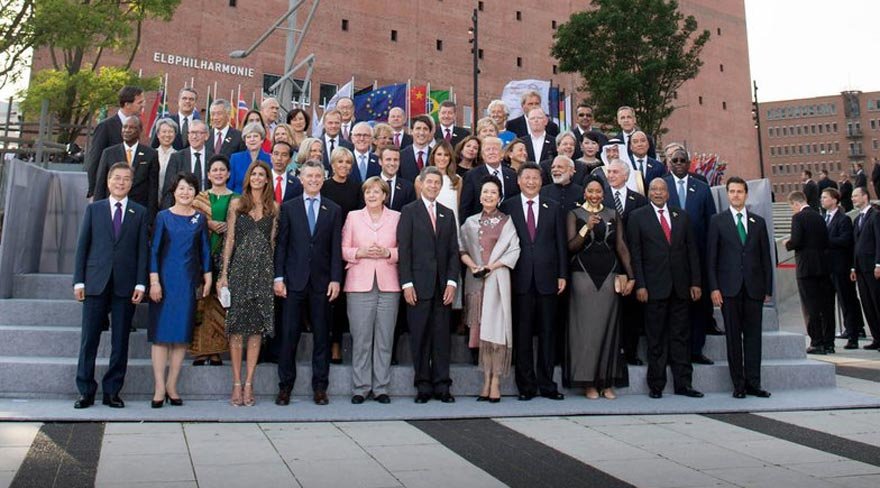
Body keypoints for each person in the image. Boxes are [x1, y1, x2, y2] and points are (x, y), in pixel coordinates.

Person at [73, 163, 149, 409]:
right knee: (89, 339)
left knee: (120, 341)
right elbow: (82, 247)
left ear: (131, 183)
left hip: (125, 285)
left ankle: (112, 391)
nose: (121, 182)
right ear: (108, 181)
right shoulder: (94, 210)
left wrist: (141, 283)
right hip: (95, 283)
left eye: (126, 179)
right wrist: (79, 281)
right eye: (117, 178)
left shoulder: (139, 212)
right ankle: (85, 389)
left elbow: (142, 251)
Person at [274, 160, 343, 406]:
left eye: (317, 176)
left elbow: (336, 247)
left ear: (323, 179)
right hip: (293, 281)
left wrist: (336, 278)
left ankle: (320, 387)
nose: (313, 180)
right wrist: (278, 277)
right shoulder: (289, 208)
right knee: (289, 335)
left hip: (322, 282)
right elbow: (282, 245)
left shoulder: (333, 209)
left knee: (322, 337)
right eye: (309, 176)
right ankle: (285, 387)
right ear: (300, 179)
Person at [627, 178, 703, 399]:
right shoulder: (637, 217)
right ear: (649, 193)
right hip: (653, 288)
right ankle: (656, 385)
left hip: (680, 287)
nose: (658, 193)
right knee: (656, 338)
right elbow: (636, 254)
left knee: (681, 337)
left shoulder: (681, 216)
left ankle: (684, 384)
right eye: (654, 189)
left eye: (662, 189)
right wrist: (640, 284)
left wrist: (695, 282)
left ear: (668, 194)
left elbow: (692, 252)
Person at [498, 162, 567, 401]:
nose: (531, 181)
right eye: (526, 177)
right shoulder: (508, 207)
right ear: (518, 180)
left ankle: (547, 384)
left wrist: (562, 274)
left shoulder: (554, 207)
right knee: (523, 334)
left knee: (548, 334)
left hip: (549, 279)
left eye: (535, 178)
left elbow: (560, 244)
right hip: (520, 279)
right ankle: (526, 386)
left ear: (541, 180)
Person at [216, 162, 278, 407]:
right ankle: (236, 383)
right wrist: (223, 275)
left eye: (262, 174)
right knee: (237, 330)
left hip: (263, 273)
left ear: (267, 180)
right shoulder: (236, 205)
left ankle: (250, 383)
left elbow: (272, 245)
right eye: (254, 173)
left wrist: (273, 277)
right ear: (248, 178)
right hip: (239, 271)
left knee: (255, 331)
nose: (258, 178)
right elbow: (229, 240)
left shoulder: (274, 208)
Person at [566, 178, 634, 399]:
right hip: (582, 275)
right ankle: (588, 382)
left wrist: (631, 276)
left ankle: (606, 381)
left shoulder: (613, 214)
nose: (594, 195)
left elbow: (621, 246)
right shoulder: (574, 214)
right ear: (584, 192)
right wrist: (587, 227)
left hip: (609, 274)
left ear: (603, 194)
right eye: (590, 191)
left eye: (598, 191)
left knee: (608, 329)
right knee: (586, 331)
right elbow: (571, 246)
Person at [148, 172, 212, 408]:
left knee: (181, 338)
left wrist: (208, 277)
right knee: (161, 337)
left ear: (196, 193)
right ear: (174, 191)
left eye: (190, 189)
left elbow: (204, 249)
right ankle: (158, 387)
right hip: (164, 283)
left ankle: (172, 385)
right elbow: (154, 251)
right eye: (182, 188)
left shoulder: (200, 219)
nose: (186, 193)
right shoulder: (163, 217)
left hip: (187, 283)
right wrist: (154, 281)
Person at [397, 166, 461, 403]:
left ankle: (442, 385)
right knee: (420, 336)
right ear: (421, 184)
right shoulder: (409, 211)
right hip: (418, 286)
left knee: (442, 337)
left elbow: (453, 251)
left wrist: (452, 282)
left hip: (442, 287)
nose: (433, 186)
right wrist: (407, 283)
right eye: (430, 182)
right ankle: (423, 385)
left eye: (437, 183)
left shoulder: (447, 213)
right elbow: (405, 251)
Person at [707, 177, 773, 398]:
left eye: (740, 191)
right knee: (734, 339)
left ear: (746, 194)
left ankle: (754, 382)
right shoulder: (718, 221)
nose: (736, 195)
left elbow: (766, 258)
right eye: (732, 192)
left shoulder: (758, 222)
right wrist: (714, 288)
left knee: (754, 338)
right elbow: (711, 258)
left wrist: (768, 288)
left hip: (754, 288)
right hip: (729, 290)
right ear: (727, 195)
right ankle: (739, 385)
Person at [460, 176, 520, 402]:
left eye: (493, 192)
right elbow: (461, 248)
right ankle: (485, 380)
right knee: (481, 334)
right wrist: (474, 266)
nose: (488, 196)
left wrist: (490, 266)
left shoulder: (507, 222)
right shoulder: (470, 222)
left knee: (496, 334)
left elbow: (513, 250)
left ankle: (496, 381)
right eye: (485, 192)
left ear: (499, 197)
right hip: (476, 280)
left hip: (497, 279)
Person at [341, 177, 401, 404]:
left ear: (385, 195)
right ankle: (361, 387)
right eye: (368, 192)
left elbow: (404, 248)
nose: (372, 196)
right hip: (359, 284)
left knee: (385, 338)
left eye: (377, 192)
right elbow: (343, 249)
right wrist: (360, 252)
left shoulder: (397, 218)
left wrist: (388, 253)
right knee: (361, 338)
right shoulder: (353, 217)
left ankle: (381, 387)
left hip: (389, 284)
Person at [664, 148, 717, 365]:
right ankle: (672, 350)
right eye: (674, 160)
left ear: (688, 163)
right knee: (672, 305)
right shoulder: (661, 186)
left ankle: (696, 348)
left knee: (698, 304)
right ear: (669, 163)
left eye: (682, 160)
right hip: (670, 255)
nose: (678, 163)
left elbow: (711, 222)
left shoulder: (703, 189)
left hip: (698, 254)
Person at [189, 155, 236, 367]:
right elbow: (191, 220)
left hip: (226, 256)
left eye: (222, 170)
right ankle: (200, 351)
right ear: (208, 175)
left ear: (228, 174)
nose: (218, 173)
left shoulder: (237, 199)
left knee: (219, 303)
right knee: (201, 302)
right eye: (214, 170)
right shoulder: (198, 198)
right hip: (202, 255)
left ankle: (216, 351)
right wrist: (208, 223)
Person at [601, 159, 649, 365]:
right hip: (607, 262)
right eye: (609, 172)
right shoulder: (600, 200)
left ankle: (630, 351)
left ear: (626, 176)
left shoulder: (639, 200)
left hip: (632, 262)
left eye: (615, 172)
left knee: (631, 310)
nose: (610, 175)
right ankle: (611, 351)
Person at [322, 147, 364, 364]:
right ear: (332, 164)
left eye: (348, 163)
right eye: (340, 162)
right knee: (328, 297)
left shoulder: (357, 188)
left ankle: (337, 343)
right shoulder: (324, 187)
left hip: (348, 248)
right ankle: (326, 342)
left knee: (341, 300)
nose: (344, 166)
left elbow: (359, 218)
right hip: (326, 247)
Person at [784, 191, 834, 354]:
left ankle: (816, 342)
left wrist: (787, 243)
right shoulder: (820, 217)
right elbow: (826, 241)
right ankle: (828, 342)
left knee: (810, 306)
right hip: (823, 266)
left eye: (791, 207)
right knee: (825, 306)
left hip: (806, 268)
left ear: (795, 204)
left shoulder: (798, 218)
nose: (792, 210)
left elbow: (797, 241)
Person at [823, 188, 864, 350]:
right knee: (830, 303)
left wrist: (826, 240)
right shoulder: (824, 219)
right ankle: (836, 336)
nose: (822, 200)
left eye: (825, 197)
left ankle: (853, 334)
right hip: (828, 268)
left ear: (834, 200)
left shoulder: (843, 219)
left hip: (841, 267)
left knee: (847, 301)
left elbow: (846, 240)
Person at [94, 116, 159, 217]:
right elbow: (100, 184)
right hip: (112, 209)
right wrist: (97, 211)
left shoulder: (151, 154)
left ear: (139, 131)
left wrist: (150, 217)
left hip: (138, 210)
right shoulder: (109, 153)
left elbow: (153, 189)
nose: (127, 130)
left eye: (131, 128)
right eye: (125, 127)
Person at [86, 85, 144, 198]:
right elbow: (95, 160)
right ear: (127, 104)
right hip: (108, 194)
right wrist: (93, 191)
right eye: (139, 102)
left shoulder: (138, 125)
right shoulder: (105, 126)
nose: (143, 105)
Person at [460, 136, 518, 224]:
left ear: (502, 153)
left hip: (508, 226)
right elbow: (465, 207)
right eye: (488, 150)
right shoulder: (471, 176)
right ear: (483, 155)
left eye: (495, 149)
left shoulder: (512, 175)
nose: (491, 152)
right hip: (479, 227)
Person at [851, 186, 880, 351]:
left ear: (865, 197)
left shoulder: (875, 216)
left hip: (872, 268)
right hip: (861, 269)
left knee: (877, 302)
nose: (853, 199)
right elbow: (856, 245)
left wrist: (878, 264)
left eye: (856, 196)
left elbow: (878, 241)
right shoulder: (857, 219)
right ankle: (877, 338)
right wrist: (853, 267)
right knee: (867, 304)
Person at [161, 120, 212, 208]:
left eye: (198, 133)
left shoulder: (213, 158)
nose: (194, 136)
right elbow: (168, 190)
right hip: (181, 208)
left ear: (206, 136)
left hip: (207, 207)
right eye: (191, 133)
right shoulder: (176, 158)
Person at [228, 122, 271, 194]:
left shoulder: (270, 159)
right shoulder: (235, 158)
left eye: (255, 136)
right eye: (248, 137)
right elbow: (230, 185)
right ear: (245, 141)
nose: (252, 139)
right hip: (238, 201)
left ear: (262, 140)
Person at [379, 145, 416, 212]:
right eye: (388, 159)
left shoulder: (408, 187)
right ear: (380, 161)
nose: (392, 163)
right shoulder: (370, 185)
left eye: (396, 160)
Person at [399, 115, 435, 181]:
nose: (421, 133)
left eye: (425, 129)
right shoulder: (401, 155)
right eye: (418, 128)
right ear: (411, 131)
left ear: (430, 133)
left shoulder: (435, 155)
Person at [321, 109, 354, 173]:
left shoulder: (349, 146)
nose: (333, 126)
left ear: (341, 124)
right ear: (324, 124)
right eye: (330, 123)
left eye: (337, 123)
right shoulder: (317, 144)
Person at [154, 118, 179, 201]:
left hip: (172, 201)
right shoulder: (151, 154)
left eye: (171, 132)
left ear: (175, 134)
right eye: (164, 132)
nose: (167, 135)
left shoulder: (179, 156)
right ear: (158, 134)